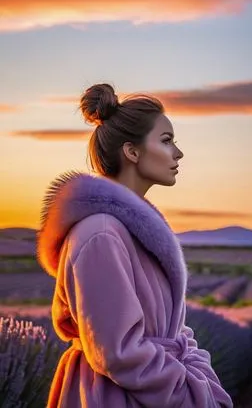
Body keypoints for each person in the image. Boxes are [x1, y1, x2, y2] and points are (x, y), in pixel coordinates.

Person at [37, 83, 233, 407]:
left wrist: (203, 381)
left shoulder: (135, 230)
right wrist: (186, 395)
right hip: (114, 397)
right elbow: (117, 353)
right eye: (167, 141)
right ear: (132, 151)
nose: (178, 153)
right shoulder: (100, 234)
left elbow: (176, 332)